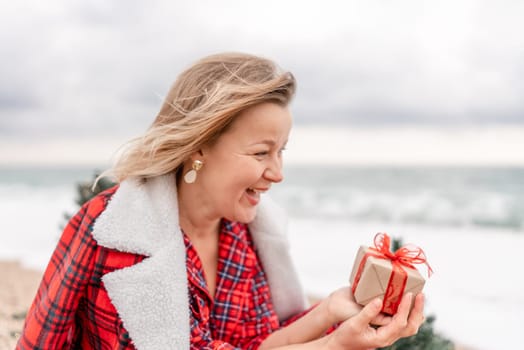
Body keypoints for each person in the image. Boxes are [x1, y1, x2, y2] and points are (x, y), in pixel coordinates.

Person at [17, 52, 425, 350]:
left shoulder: (244, 236)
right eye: (261, 153)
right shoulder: (115, 232)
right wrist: (335, 346)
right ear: (199, 147)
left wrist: (332, 311)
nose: (278, 173)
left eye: (283, 151)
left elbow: (259, 344)